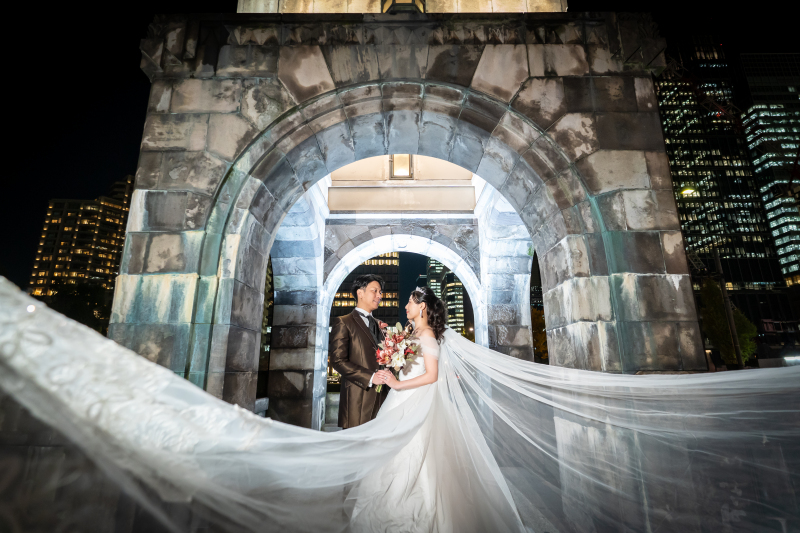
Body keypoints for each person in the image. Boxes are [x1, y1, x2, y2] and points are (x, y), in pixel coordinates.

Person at [1, 277, 798, 533]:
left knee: (420, 471)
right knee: (391, 470)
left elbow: (431, 375)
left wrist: (393, 378)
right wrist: (386, 367)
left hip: (412, 404)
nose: (409, 309)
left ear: (426, 310)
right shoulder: (398, 331)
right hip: (394, 402)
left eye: (414, 304)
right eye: (405, 304)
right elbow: (389, 360)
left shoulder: (432, 340)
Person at [329, 274, 389, 429]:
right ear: (360, 293)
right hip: (358, 399)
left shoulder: (381, 326)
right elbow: (338, 361)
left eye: (380, 292)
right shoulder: (344, 322)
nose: (379, 296)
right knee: (356, 443)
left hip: (383, 399)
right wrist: (371, 377)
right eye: (374, 291)